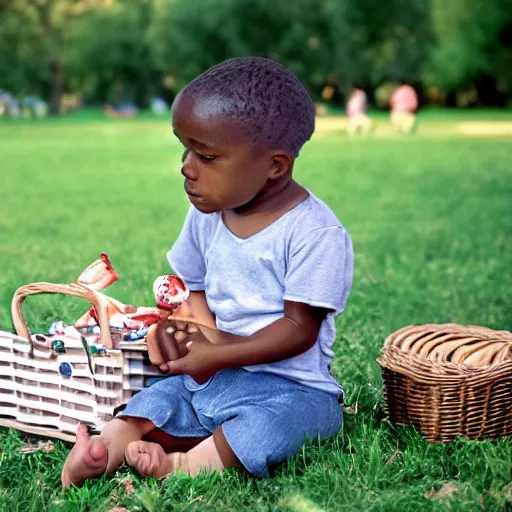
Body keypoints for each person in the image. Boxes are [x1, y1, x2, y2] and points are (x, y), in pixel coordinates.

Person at [61, 56, 354, 488]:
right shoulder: (207, 214)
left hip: (291, 387)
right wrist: (180, 330)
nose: (186, 166)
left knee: (272, 424)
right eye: (185, 149)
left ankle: (183, 465)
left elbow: (298, 330)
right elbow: (193, 290)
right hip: (214, 376)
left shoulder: (315, 233)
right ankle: (103, 450)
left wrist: (217, 352)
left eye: (207, 155)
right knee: (156, 399)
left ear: (275, 166)